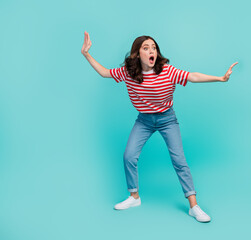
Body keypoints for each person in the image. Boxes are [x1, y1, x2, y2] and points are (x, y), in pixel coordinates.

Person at [81, 31, 238, 223]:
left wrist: (220, 78)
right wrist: (87, 54)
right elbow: (105, 73)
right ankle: (134, 197)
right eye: (146, 48)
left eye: (153, 47)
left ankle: (194, 207)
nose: (151, 51)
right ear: (137, 54)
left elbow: (192, 76)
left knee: (179, 160)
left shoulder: (167, 71)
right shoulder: (129, 72)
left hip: (167, 119)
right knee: (128, 155)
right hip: (144, 120)